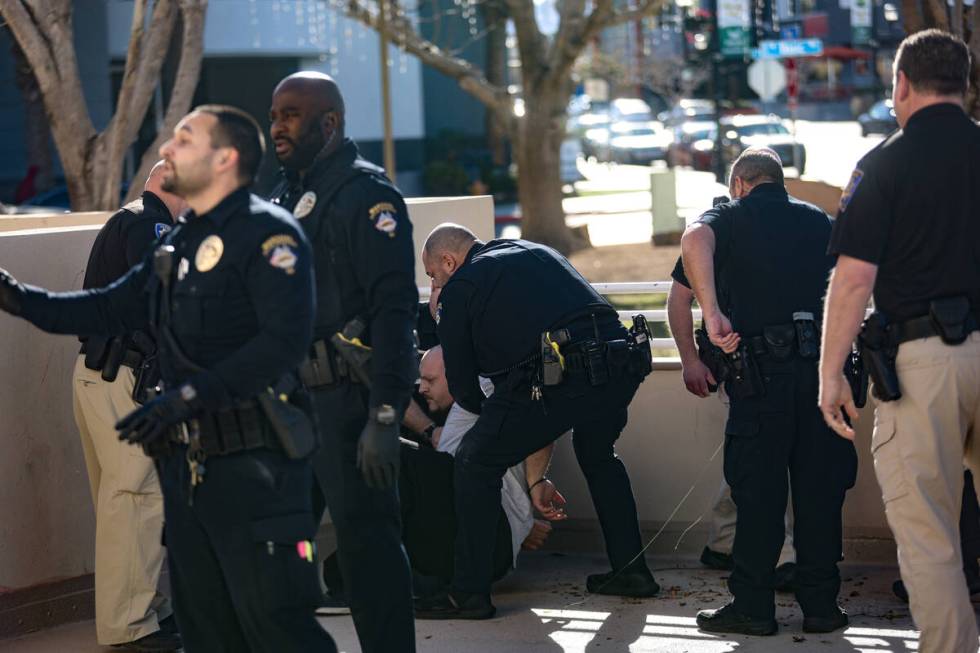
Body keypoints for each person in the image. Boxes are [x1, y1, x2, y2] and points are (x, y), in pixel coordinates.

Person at [0, 105, 336, 652]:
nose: (165, 152)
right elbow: (108, 306)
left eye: (184, 141)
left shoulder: (271, 236)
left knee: (277, 619)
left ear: (224, 160)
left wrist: (186, 395)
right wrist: (20, 298)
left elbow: (279, 345)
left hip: (257, 462)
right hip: (192, 466)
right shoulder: (180, 242)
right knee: (206, 622)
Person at [818, 30, 980, 652]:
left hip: (921, 367)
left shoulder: (883, 164)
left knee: (929, 535)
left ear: (902, 85)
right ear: (963, 86)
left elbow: (854, 280)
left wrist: (831, 376)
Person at [415, 224, 659, 620]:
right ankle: (632, 572)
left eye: (432, 275)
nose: (433, 285)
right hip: (617, 367)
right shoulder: (535, 249)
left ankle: (468, 594)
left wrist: (445, 318)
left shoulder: (462, 286)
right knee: (598, 455)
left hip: (558, 381)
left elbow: (465, 389)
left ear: (448, 260)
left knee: (476, 461)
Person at [268, 71, 418, 653]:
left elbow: (394, 310)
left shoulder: (367, 196)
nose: (277, 125)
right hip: (287, 409)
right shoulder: (281, 197)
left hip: (347, 407)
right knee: (277, 550)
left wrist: (384, 418)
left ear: (328, 123)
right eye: (275, 113)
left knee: (368, 552)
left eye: (290, 114)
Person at [682, 148, 857, 636]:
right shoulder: (818, 220)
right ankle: (822, 607)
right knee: (820, 497)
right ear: (780, 181)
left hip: (761, 379)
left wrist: (712, 311)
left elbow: (694, 237)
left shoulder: (729, 216)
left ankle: (754, 608)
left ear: (739, 183)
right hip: (822, 375)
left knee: (758, 499)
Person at [72, 161, 184, 652]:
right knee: (135, 500)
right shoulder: (150, 222)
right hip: (124, 380)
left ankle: (145, 613)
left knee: (126, 503)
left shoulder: (134, 218)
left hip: (107, 377)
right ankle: (129, 628)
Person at [666, 257, 797, 588]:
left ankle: (723, 543)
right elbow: (678, 297)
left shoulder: (798, 222)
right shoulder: (713, 230)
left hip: (792, 358)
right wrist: (689, 361)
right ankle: (782, 557)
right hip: (743, 365)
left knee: (751, 456)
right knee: (760, 457)